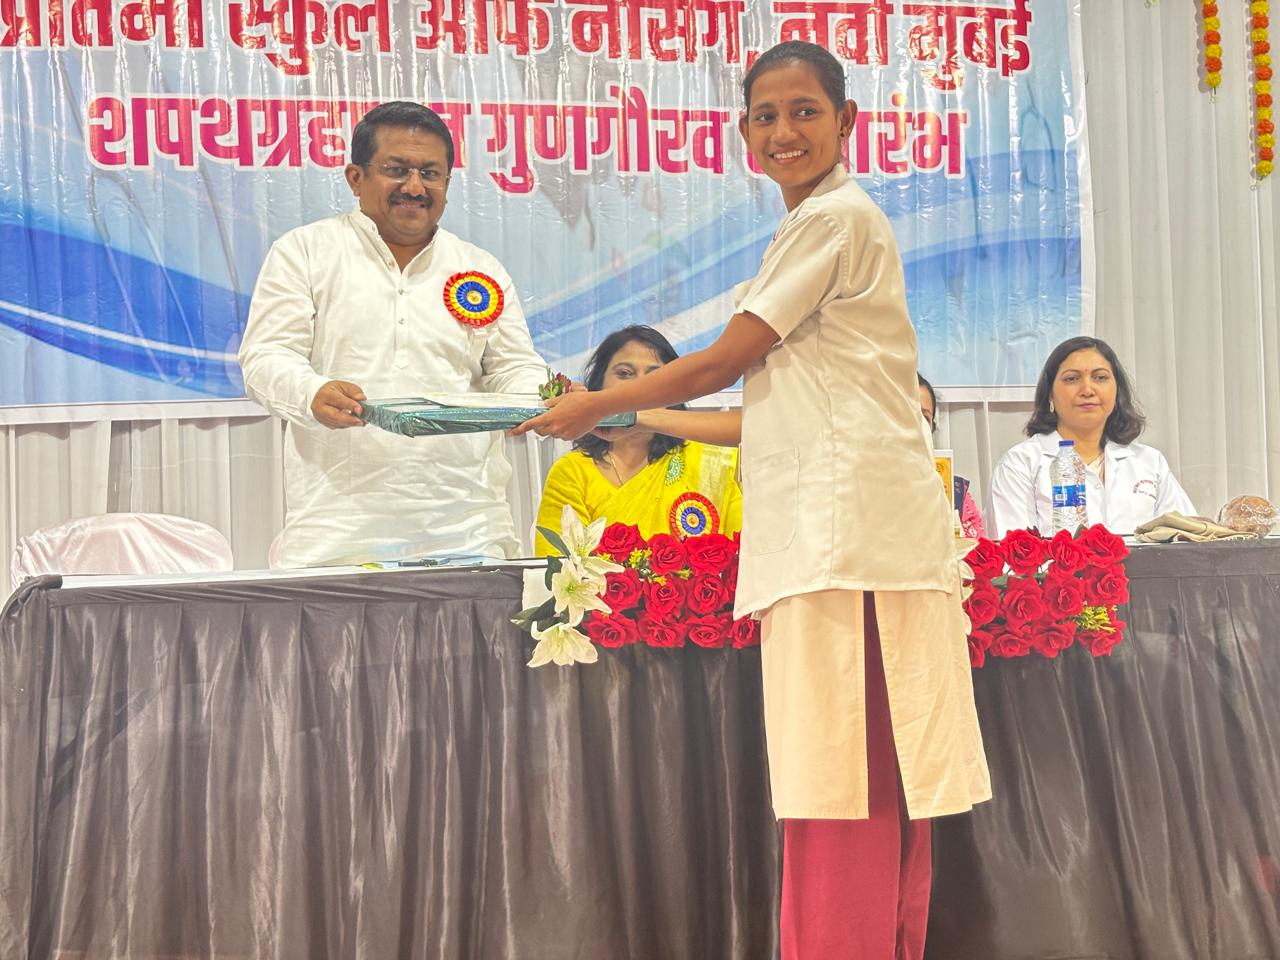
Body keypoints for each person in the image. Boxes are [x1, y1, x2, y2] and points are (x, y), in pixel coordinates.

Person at [516, 41, 990, 960]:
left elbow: (729, 359)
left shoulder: (831, 220)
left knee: (844, 784)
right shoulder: (817, 225)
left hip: (849, 549)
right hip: (857, 541)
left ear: (847, 122)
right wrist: (633, 413)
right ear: (742, 132)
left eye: (805, 111)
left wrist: (596, 404)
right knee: (865, 782)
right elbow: (764, 412)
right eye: (765, 116)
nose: (784, 131)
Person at [239, 101, 548, 567]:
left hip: (468, 526)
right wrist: (312, 392)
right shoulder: (305, 251)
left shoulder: (479, 266)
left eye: (430, 173)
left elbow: (512, 366)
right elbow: (267, 355)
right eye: (397, 170)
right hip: (337, 532)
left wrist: (542, 398)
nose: (415, 187)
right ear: (355, 178)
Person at [534, 326, 741, 553]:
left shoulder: (716, 462)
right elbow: (558, 567)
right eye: (624, 373)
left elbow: (742, 555)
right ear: (599, 385)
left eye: (655, 376)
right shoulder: (571, 473)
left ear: (677, 390)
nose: (640, 387)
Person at [989, 336, 1195, 537]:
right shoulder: (1020, 463)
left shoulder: (1149, 462)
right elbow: (1011, 551)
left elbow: (1188, 540)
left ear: (1117, 390)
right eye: (1072, 379)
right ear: (1050, 393)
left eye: (1100, 378)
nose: (1087, 390)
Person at [917, 374, 986, 538]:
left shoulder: (956, 494)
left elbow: (975, 549)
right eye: (905, 414)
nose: (915, 425)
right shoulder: (861, 488)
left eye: (924, 417)